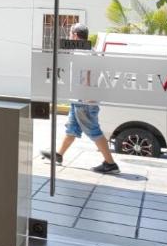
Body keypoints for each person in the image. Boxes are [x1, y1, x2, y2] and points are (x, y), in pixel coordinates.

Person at [41, 23, 121, 174]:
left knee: (94, 131)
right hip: (79, 100)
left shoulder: (82, 53)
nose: (69, 36)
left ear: (76, 35)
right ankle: (58, 155)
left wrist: (86, 95)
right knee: (71, 129)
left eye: (71, 34)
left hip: (83, 100)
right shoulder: (88, 51)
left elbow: (88, 75)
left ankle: (110, 164)